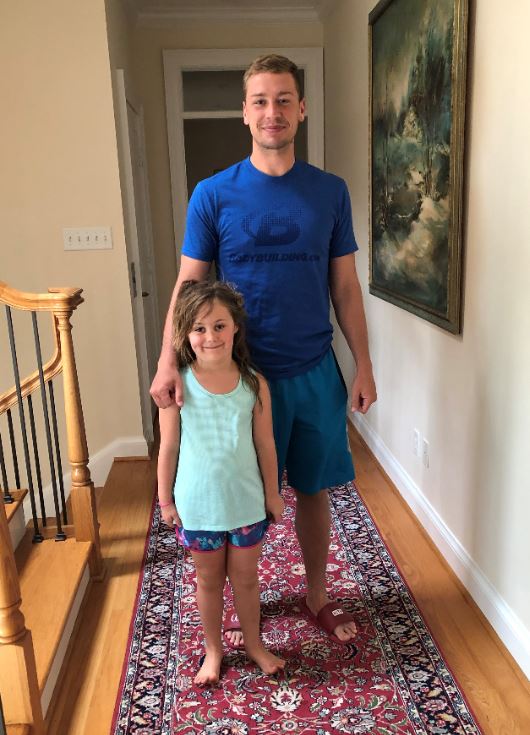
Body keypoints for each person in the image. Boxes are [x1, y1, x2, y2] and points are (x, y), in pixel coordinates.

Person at [151, 54, 377, 648]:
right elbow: (188, 286)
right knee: (232, 493)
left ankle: (317, 595)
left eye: (282, 100)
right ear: (244, 113)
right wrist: (168, 362)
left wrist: (363, 365)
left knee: (312, 489)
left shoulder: (329, 192)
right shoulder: (212, 194)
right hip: (234, 377)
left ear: (301, 110)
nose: (271, 111)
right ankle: (237, 607)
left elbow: (345, 287)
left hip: (312, 369)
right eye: (260, 101)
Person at [157, 280, 285, 685]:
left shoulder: (254, 384)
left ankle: (254, 645)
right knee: (208, 582)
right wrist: (165, 501)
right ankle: (214, 651)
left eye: (218, 326)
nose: (210, 336)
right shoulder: (177, 387)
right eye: (199, 328)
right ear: (185, 334)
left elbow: (265, 444)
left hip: (246, 504)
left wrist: (272, 493)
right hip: (198, 507)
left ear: (235, 328)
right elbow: (168, 448)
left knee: (247, 580)